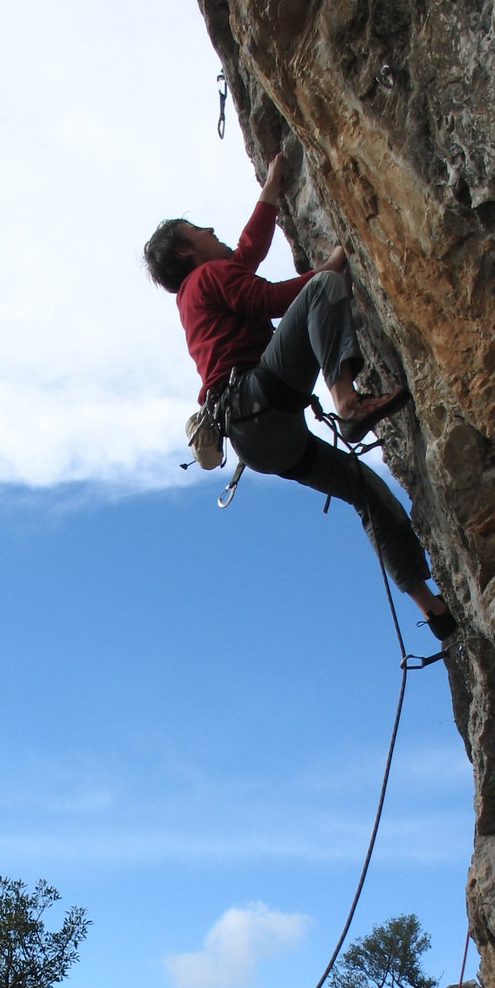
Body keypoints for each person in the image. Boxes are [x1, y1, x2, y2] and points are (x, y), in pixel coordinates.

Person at [144, 156, 456, 642]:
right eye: (199, 229)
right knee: (324, 286)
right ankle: (347, 402)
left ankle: (434, 610)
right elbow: (270, 300)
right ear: (188, 253)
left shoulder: (200, 288)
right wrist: (329, 266)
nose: (211, 229)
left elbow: (247, 251)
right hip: (257, 400)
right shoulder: (205, 279)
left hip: (261, 439)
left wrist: (271, 189)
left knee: (366, 492)